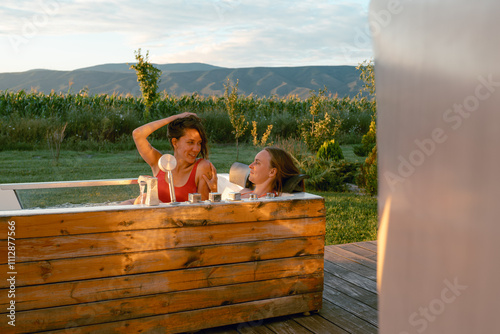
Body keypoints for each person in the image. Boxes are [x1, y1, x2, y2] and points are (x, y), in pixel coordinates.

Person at [132, 112, 217, 203]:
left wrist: (214, 191)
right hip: (152, 216)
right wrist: (174, 118)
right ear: (175, 142)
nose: (196, 149)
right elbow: (138, 134)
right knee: (141, 199)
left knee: (144, 198)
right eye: (190, 142)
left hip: (179, 216)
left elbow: (203, 211)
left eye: (199, 143)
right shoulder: (161, 163)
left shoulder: (202, 167)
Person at [240, 147, 304, 198]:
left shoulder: (267, 202)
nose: (250, 166)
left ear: (272, 172)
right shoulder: (245, 191)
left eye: (257, 163)